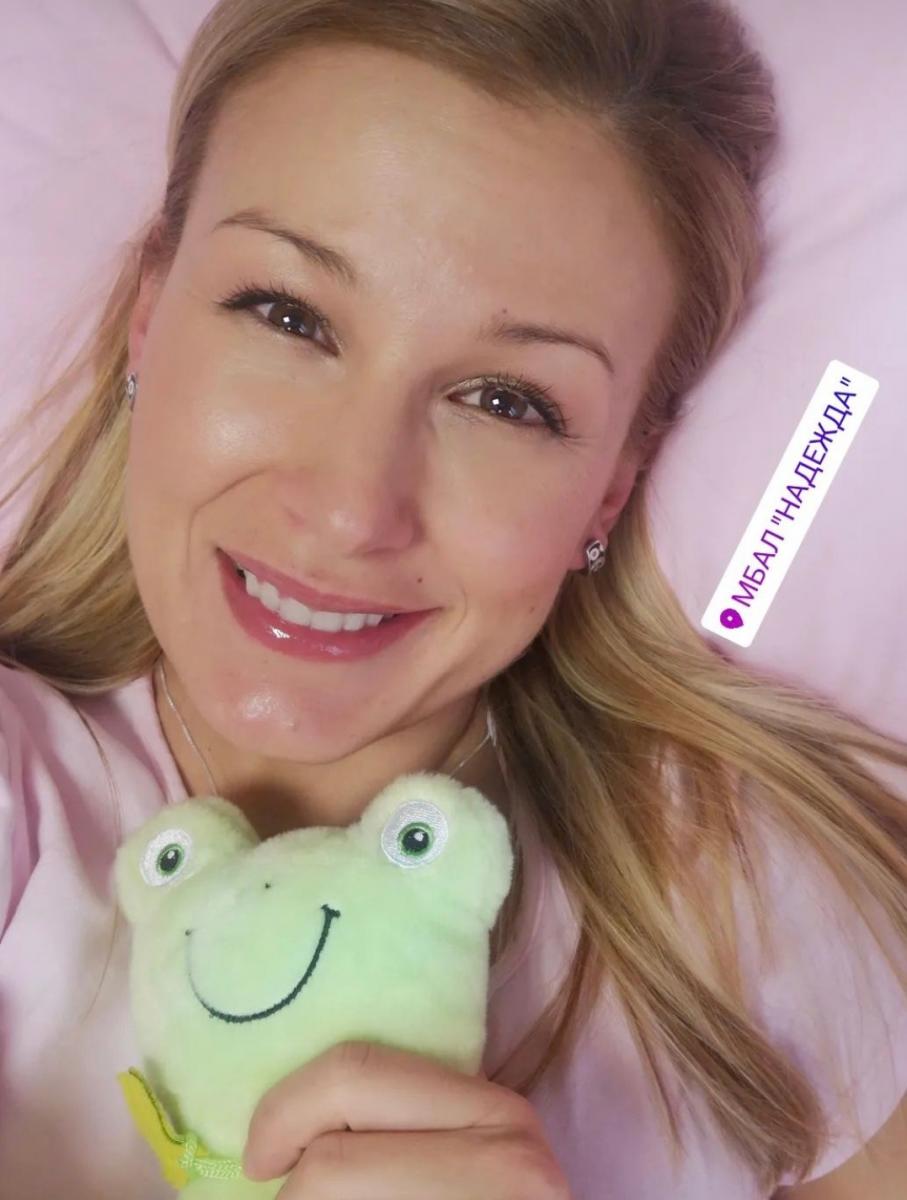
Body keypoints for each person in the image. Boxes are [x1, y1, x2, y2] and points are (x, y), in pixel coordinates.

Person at [0, 1, 905, 1197]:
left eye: (505, 401)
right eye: (288, 316)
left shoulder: (750, 911)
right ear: (147, 319)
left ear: (609, 489)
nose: (350, 509)